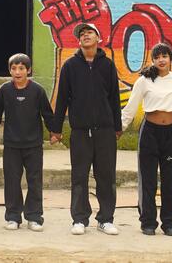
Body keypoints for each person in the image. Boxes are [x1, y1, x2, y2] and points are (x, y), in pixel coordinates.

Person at [121, 43, 172, 236]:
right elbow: (131, 107)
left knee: (170, 180)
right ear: (153, 60)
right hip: (149, 133)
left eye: (165, 56)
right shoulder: (144, 80)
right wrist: (120, 128)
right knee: (148, 179)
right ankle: (148, 221)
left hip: (170, 135)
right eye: (157, 57)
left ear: (171, 59)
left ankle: (169, 222)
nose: (161, 60)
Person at [49, 22, 122, 236]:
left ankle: (106, 219)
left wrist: (116, 127)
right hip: (80, 132)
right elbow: (62, 98)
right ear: (78, 40)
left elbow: (114, 98)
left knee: (106, 177)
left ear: (98, 38)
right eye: (82, 34)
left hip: (105, 131)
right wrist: (56, 129)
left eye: (90, 32)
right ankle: (79, 219)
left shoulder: (107, 65)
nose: (85, 35)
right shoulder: (70, 66)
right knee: (79, 176)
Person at [0, 53, 54, 232]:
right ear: (10, 70)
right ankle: (13, 216)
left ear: (28, 70)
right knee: (12, 181)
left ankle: (34, 216)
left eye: (21, 68)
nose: (17, 72)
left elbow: (47, 113)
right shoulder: (5, 90)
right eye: (14, 68)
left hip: (34, 144)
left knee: (34, 180)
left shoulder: (37, 91)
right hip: (12, 144)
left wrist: (54, 132)